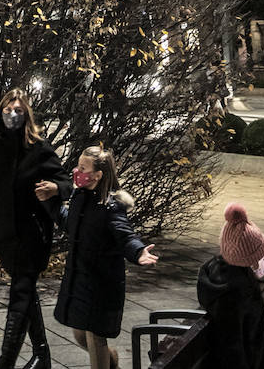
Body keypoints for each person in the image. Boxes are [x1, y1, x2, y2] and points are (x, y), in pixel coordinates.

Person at [0, 88, 71, 369]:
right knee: (26, 293)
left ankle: (5, 363)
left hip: (33, 236)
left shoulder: (39, 149)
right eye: (8, 110)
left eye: (19, 111)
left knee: (20, 295)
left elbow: (66, 182)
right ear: (0, 113)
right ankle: (42, 356)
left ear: (27, 115)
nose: (13, 115)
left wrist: (55, 187)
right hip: (5, 236)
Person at [54, 144, 159, 369]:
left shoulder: (111, 207)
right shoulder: (79, 196)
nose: (77, 171)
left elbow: (125, 234)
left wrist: (138, 251)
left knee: (95, 337)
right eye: (78, 166)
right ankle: (111, 362)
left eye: (83, 168)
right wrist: (50, 203)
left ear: (97, 175)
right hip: (80, 277)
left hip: (102, 282)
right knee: (80, 334)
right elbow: (69, 222)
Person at [197, 202, 264, 369]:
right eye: (258, 256)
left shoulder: (215, 272)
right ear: (248, 260)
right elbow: (235, 348)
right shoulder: (240, 293)